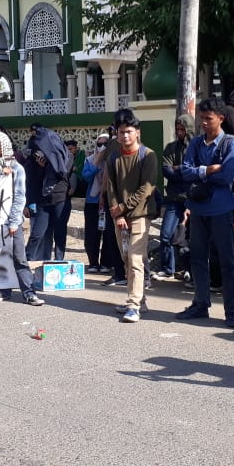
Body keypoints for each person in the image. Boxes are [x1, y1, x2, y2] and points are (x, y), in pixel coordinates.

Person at [177, 97, 234, 329]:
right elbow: (184, 172)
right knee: (197, 258)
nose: (203, 123)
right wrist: (207, 169)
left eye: (208, 119)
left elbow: (227, 176)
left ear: (221, 118)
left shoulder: (231, 143)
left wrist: (200, 174)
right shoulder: (195, 143)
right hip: (198, 209)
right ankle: (200, 303)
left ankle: (232, 312)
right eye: (201, 119)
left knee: (227, 261)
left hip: (222, 209)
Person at [105, 115, 159, 322]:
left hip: (140, 215)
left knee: (136, 259)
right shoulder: (113, 157)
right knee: (126, 259)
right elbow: (110, 187)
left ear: (137, 132)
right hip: (119, 215)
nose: (125, 135)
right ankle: (140, 300)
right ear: (117, 134)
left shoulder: (148, 155)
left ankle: (133, 305)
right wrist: (115, 211)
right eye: (121, 132)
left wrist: (123, 208)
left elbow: (146, 188)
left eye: (129, 131)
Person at [0, 130, 44, 306]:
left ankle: (29, 292)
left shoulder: (16, 168)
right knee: (0, 257)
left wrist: (14, 221)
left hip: (11, 221)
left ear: (5, 145)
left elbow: (19, 196)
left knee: (19, 257)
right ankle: (4, 290)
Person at [153, 114, 194, 282]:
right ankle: (167, 269)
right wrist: (186, 172)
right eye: (177, 129)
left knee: (190, 238)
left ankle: (188, 270)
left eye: (183, 129)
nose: (180, 132)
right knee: (166, 234)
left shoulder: (197, 147)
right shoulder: (170, 148)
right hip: (173, 198)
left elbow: (198, 170)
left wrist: (180, 169)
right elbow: (166, 170)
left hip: (193, 199)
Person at [24, 123, 73, 262]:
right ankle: (26, 262)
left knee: (59, 233)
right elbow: (32, 183)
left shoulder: (66, 157)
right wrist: (40, 167)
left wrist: (48, 165)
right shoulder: (32, 161)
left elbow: (62, 174)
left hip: (60, 199)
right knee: (37, 233)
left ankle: (59, 262)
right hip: (42, 201)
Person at [82, 133, 114, 273]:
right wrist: (97, 161)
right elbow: (86, 177)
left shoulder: (113, 159)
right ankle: (93, 263)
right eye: (99, 144)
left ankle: (106, 262)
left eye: (105, 144)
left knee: (108, 233)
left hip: (108, 200)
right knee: (92, 234)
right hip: (92, 201)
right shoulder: (90, 160)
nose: (101, 147)